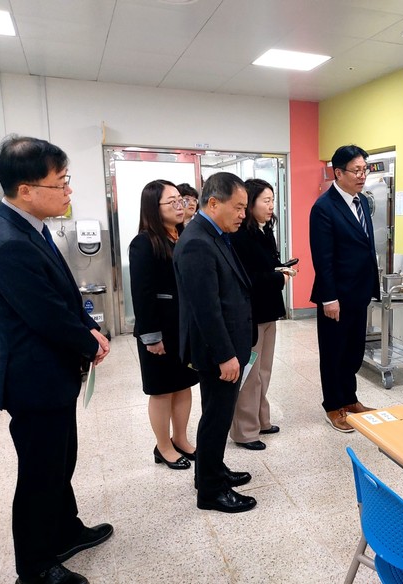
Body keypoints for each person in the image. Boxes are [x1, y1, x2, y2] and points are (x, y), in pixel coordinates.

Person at [0, 136, 113, 584]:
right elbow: (45, 315)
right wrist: (88, 342)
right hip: (32, 380)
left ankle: (64, 530)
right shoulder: (9, 242)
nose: (68, 190)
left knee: (60, 460)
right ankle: (35, 567)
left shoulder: (29, 226)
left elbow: (63, 295)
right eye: (61, 182)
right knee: (39, 473)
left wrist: (89, 328)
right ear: (26, 190)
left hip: (51, 374)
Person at [173, 171, 257, 514]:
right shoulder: (197, 242)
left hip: (226, 345)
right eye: (238, 207)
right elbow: (205, 308)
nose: (242, 214)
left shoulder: (214, 234)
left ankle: (213, 470)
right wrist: (225, 355)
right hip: (216, 351)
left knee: (217, 414)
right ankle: (210, 491)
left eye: (245, 208)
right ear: (213, 203)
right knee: (216, 418)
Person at [309, 144, 380, 433]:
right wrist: (329, 298)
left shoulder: (361, 202)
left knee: (353, 351)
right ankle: (333, 405)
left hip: (359, 292)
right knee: (333, 353)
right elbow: (322, 258)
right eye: (356, 170)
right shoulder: (324, 207)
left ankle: (350, 400)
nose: (362, 175)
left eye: (365, 170)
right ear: (338, 173)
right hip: (336, 296)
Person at [129, 180, 198, 470]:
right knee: (161, 390)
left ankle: (180, 438)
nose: (180, 206)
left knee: (183, 385)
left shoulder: (183, 236)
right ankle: (163, 446)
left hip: (183, 329)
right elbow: (142, 294)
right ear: (153, 207)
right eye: (172, 202)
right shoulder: (144, 242)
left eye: (181, 200)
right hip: (159, 331)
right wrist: (151, 336)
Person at [229, 178, 295, 450]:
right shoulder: (240, 236)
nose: (271, 206)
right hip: (251, 314)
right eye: (265, 201)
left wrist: (281, 269)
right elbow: (248, 278)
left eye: (272, 201)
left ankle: (261, 419)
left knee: (264, 370)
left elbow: (268, 265)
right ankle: (245, 431)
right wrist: (279, 278)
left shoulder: (265, 230)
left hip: (269, 311)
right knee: (250, 374)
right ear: (250, 203)